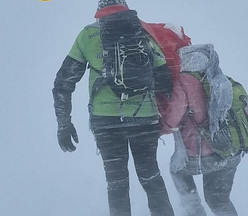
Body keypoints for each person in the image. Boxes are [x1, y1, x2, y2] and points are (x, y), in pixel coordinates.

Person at [52, 0, 175, 215]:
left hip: (105, 121)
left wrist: (64, 123)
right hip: (143, 119)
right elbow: (165, 79)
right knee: (151, 177)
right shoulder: (142, 32)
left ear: (100, 8)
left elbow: (63, 83)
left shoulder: (87, 35)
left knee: (117, 183)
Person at [158, 44, 241, 216]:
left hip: (202, 155)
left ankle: (194, 211)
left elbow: (172, 119)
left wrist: (157, 128)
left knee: (177, 171)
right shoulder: (219, 77)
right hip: (230, 150)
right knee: (218, 200)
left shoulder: (182, 81)